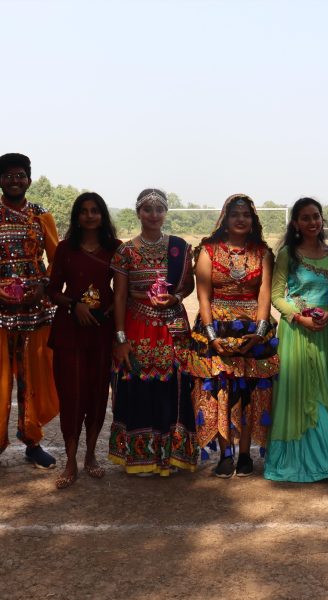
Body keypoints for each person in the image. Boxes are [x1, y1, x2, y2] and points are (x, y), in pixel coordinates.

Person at [110, 188, 198, 476]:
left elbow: (188, 285)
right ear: (138, 213)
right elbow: (119, 296)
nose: (154, 215)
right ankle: (141, 456)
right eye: (147, 209)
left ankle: (172, 455)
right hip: (138, 326)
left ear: (166, 212)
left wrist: (176, 297)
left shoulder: (179, 247)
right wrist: (120, 338)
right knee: (139, 388)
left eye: (159, 209)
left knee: (174, 388)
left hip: (173, 326)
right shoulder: (125, 251)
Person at [190, 194, 278, 478]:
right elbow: (204, 296)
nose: (241, 219)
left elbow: (264, 295)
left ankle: (245, 454)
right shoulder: (208, 251)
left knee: (251, 391)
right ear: (225, 220)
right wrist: (211, 335)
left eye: (246, 215)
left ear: (253, 220)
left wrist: (260, 333)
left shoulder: (262, 253)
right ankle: (226, 453)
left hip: (253, 331)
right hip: (216, 329)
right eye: (235, 214)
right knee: (221, 391)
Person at [265, 198, 328, 482]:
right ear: (296, 223)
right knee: (298, 391)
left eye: (316, 216)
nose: (312, 222)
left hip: (325, 330)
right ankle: (295, 461)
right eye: (305, 218)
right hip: (296, 331)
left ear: (322, 219)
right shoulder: (288, 254)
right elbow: (276, 296)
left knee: (323, 390)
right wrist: (299, 318)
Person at [47, 193, 120, 488]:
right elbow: (53, 289)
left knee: (97, 394)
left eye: (95, 211)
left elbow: (122, 289)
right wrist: (74, 305)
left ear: (102, 215)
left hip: (102, 329)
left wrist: (111, 309)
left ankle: (90, 455)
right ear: (77, 216)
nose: (90, 216)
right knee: (72, 394)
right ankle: (71, 460)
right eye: (84, 211)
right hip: (70, 330)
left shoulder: (115, 248)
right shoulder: (65, 248)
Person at [0, 153, 59, 470]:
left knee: (32, 377)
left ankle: (32, 440)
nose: (15, 180)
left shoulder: (41, 215)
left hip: (35, 311)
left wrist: (44, 286)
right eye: (8, 175)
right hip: (0, 312)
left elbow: (57, 261)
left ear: (29, 179)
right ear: (0, 180)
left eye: (20, 175)